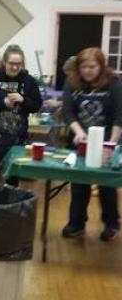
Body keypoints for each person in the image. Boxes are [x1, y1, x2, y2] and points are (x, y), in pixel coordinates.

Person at [61, 48, 121, 241]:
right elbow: (68, 112)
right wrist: (79, 132)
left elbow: (120, 114)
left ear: (101, 66)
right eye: (84, 67)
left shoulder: (114, 83)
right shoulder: (71, 82)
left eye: (92, 66)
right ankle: (76, 224)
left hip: (108, 140)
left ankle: (111, 224)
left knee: (107, 185)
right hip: (81, 142)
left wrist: (112, 143)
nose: (87, 71)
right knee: (79, 184)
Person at [0, 45, 42, 182]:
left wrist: (23, 100)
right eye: (11, 64)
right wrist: (3, 103)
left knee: (13, 177)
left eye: (18, 64)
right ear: (4, 62)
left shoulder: (29, 81)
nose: (14, 67)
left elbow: (37, 106)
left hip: (18, 137)